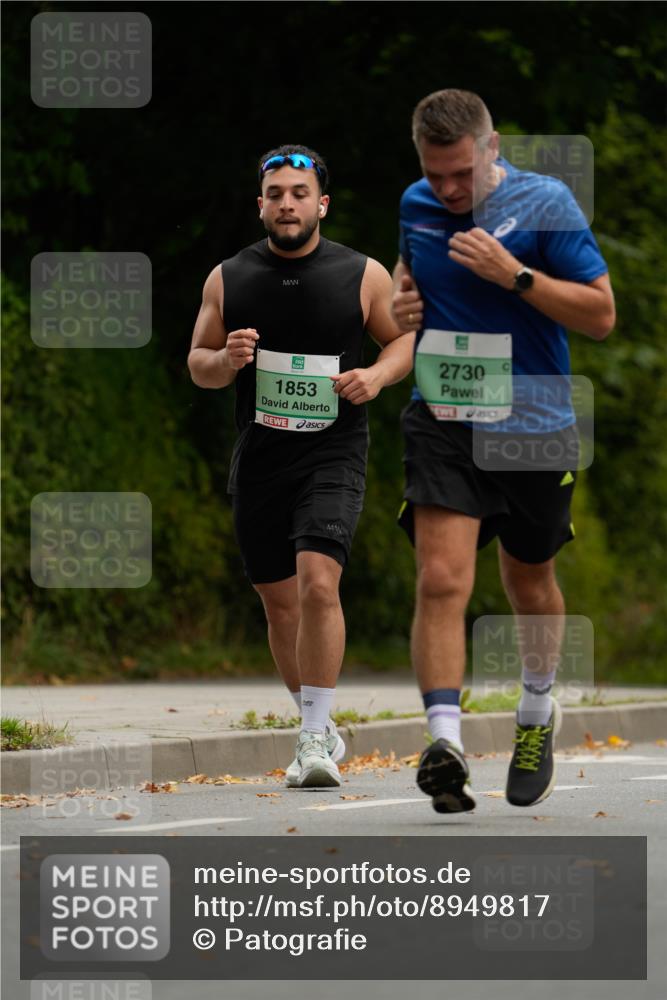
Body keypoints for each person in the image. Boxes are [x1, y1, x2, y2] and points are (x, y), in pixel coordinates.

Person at [391, 90, 615, 813]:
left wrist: (513, 276)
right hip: (443, 415)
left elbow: (602, 314)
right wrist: (401, 302)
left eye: (461, 172)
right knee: (440, 578)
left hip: (534, 420)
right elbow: (409, 274)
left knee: (526, 581)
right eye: (436, 175)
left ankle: (535, 712)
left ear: (491, 149)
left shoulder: (544, 201)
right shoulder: (414, 204)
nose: (449, 190)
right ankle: (444, 743)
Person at [188, 145, 413, 789]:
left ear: (322, 204)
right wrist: (226, 360)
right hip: (261, 456)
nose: (287, 202)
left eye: (299, 192)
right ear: (260, 204)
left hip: (333, 451)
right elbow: (197, 365)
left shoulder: (361, 273)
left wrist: (375, 373)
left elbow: (404, 339)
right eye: (276, 193)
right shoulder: (228, 277)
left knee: (319, 583)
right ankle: (316, 721)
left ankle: (314, 738)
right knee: (279, 603)